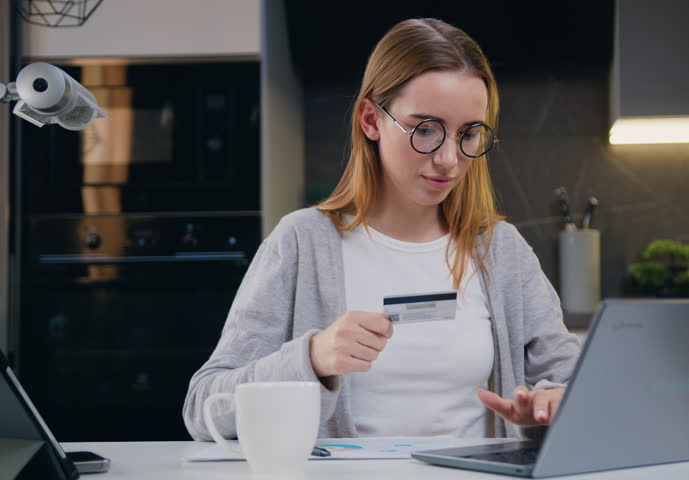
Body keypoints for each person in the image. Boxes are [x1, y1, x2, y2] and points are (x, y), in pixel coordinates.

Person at [183, 18, 580, 441]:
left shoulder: (500, 249)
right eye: (426, 129)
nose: (449, 158)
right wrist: (312, 358)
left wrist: (551, 405)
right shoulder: (302, 242)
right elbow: (204, 410)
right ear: (370, 120)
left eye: (468, 134)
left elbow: (573, 382)